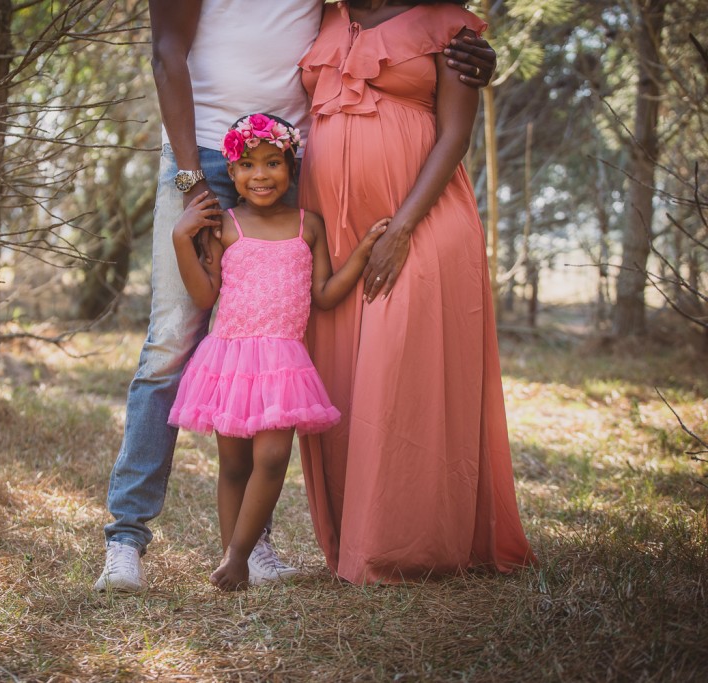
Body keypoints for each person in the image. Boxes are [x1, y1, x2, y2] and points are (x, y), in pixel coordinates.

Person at [94, 0, 497, 593]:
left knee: (275, 340)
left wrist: (473, 53)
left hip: (292, 159)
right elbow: (165, 54)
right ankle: (126, 538)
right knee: (170, 345)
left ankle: (251, 544)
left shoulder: (331, 5)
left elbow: (392, 32)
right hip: (205, 157)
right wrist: (190, 178)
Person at [297, 0, 537, 584]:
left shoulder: (448, 25)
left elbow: (456, 134)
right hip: (335, 234)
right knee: (342, 385)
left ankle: (404, 548)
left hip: (420, 222)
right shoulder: (320, 18)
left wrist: (402, 228)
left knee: (402, 381)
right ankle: (354, 539)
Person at [167, 114, 390, 590]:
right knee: (234, 466)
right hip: (230, 359)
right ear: (232, 172)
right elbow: (205, 295)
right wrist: (180, 238)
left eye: (273, 163)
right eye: (247, 165)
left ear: (291, 167)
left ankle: (240, 555)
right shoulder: (225, 226)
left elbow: (324, 295)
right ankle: (234, 563)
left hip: (283, 361)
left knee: (271, 458)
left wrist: (363, 251)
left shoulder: (309, 226)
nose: (260, 175)